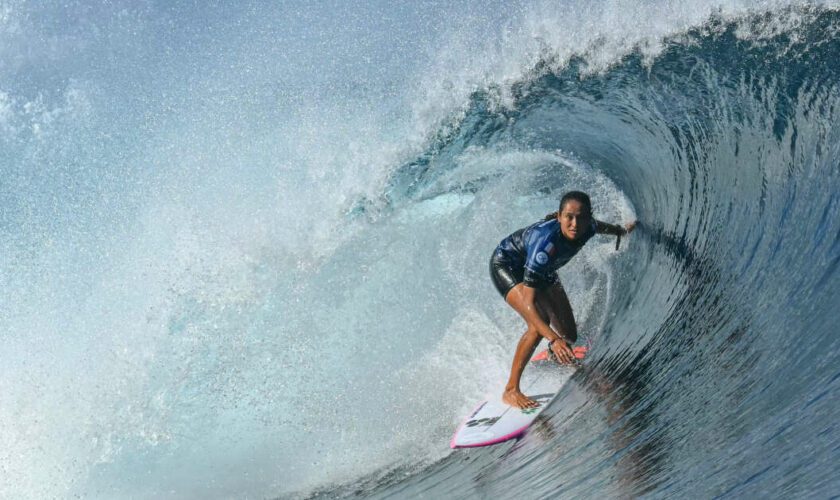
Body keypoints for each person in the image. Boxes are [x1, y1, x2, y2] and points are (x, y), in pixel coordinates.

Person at [489, 190, 636, 409]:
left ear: (588, 218)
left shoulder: (589, 227)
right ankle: (511, 390)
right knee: (538, 322)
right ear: (559, 216)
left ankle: (554, 355)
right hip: (508, 265)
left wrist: (621, 231)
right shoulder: (544, 247)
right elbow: (529, 303)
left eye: (580, 217)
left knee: (570, 335)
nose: (575, 224)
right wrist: (553, 339)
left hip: (543, 270)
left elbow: (601, 227)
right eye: (568, 217)